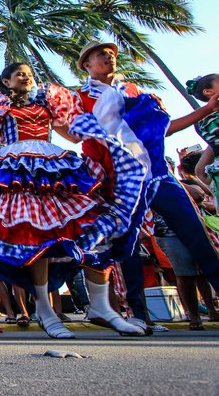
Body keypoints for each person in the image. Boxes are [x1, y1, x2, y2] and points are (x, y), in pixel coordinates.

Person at [0, 62, 148, 338]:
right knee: (35, 234)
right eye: (20, 74)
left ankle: (101, 305)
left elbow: (71, 135)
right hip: (16, 169)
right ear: (6, 82)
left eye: (29, 74)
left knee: (92, 223)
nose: (26, 77)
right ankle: (45, 309)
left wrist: (105, 131)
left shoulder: (48, 102)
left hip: (55, 167)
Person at [77, 43, 219, 333]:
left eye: (111, 52)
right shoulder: (80, 98)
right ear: (86, 64)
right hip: (121, 181)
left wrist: (206, 109)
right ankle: (138, 315)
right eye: (100, 53)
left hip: (159, 175)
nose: (108, 56)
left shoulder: (135, 91)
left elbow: (165, 128)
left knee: (199, 238)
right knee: (126, 248)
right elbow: (85, 140)